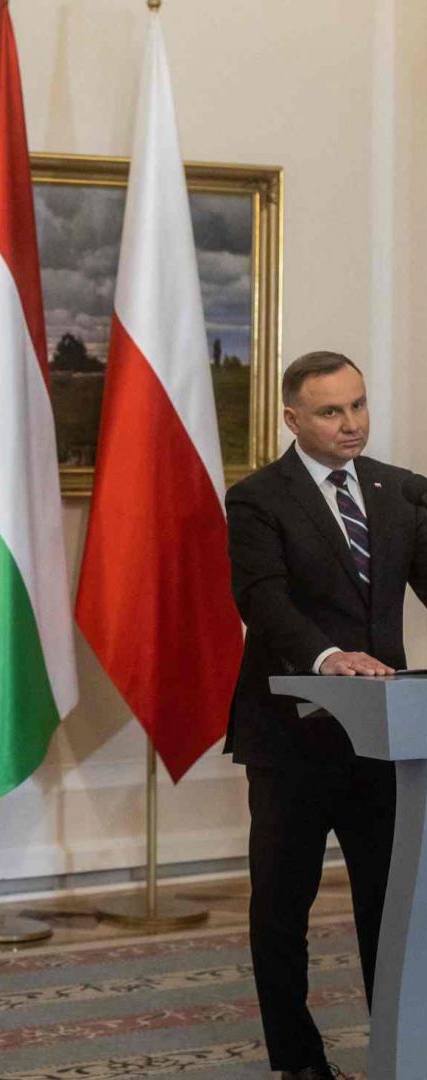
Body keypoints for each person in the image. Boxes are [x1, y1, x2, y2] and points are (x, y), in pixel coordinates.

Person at [225, 351, 427, 1079]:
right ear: (292, 419)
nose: (352, 423)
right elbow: (263, 601)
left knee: (391, 902)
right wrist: (328, 656)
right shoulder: (257, 500)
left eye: (359, 405)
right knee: (284, 905)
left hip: (386, 737)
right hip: (293, 735)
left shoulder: (401, 493)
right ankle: (299, 1061)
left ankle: (398, 1048)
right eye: (331, 411)